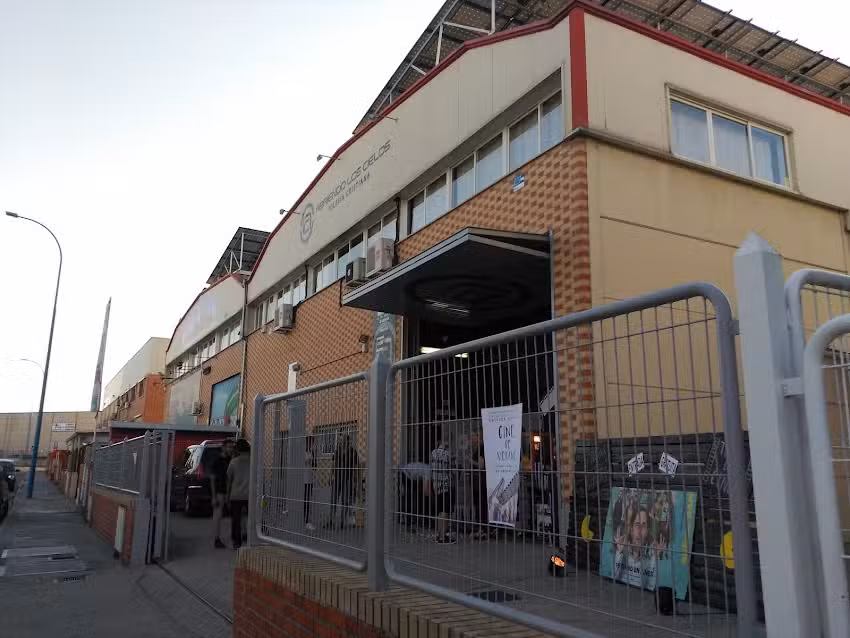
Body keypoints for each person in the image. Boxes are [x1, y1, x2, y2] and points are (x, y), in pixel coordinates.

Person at [226, 438, 251, 550]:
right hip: (250, 494)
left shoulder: (233, 462)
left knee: (236, 519)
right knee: (251, 518)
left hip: (236, 494)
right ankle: (252, 539)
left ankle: (237, 542)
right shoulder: (253, 461)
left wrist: (227, 496)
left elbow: (229, 479)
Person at [329, 435, 359, 529]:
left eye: (343, 440)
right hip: (337, 478)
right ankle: (331, 520)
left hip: (347, 479)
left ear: (348, 441)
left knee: (345, 501)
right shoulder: (337, 451)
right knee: (333, 500)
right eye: (341, 440)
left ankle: (342, 521)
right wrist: (331, 476)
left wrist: (355, 481)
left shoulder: (353, 452)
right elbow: (333, 465)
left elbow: (355, 467)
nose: (341, 441)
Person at [430, 439, 455, 544]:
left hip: (436, 485)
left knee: (440, 511)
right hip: (445, 485)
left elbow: (431, 468)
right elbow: (452, 471)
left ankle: (439, 534)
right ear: (446, 445)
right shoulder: (448, 454)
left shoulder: (433, 453)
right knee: (445, 511)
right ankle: (443, 537)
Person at [211, 439, 234, 549]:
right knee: (218, 515)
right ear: (223, 447)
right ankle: (217, 538)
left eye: (232, 447)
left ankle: (232, 537)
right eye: (229, 447)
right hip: (220, 491)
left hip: (232, 491)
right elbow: (213, 479)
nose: (230, 449)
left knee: (233, 515)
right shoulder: (217, 461)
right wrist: (214, 496)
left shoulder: (232, 460)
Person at [303, 436, 316, 531]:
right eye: (310, 442)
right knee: (302, 500)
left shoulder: (311, 453)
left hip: (310, 480)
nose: (311, 444)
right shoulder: (300, 452)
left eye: (312, 442)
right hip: (302, 481)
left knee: (308, 500)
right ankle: (302, 520)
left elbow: (314, 466)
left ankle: (307, 521)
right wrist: (307, 461)